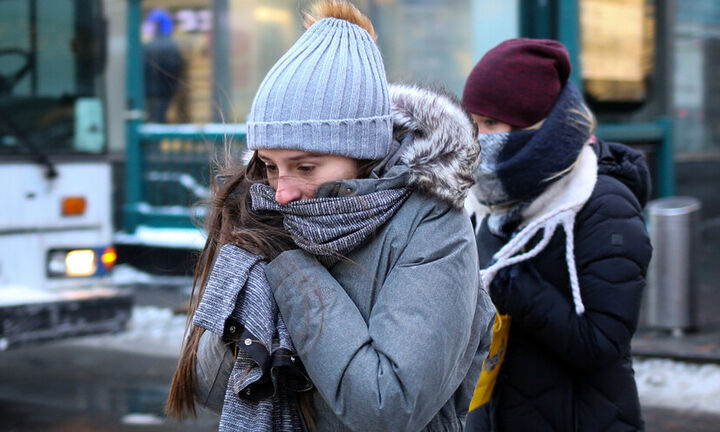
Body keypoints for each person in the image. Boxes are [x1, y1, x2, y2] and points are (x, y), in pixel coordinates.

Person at [166, 1, 495, 431]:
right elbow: (209, 387)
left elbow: (385, 407)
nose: (281, 191)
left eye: (305, 167)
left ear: (364, 153)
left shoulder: (431, 226)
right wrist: (248, 265)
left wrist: (290, 270)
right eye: (269, 165)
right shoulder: (273, 214)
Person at [462, 38, 653, 431]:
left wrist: (513, 287)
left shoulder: (603, 205)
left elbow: (603, 342)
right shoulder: (486, 201)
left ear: (536, 127)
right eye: (472, 122)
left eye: (491, 124)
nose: (477, 138)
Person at [143, 8, 184, 123]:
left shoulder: (151, 47)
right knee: (156, 121)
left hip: (153, 95)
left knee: (153, 123)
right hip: (164, 94)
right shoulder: (171, 46)